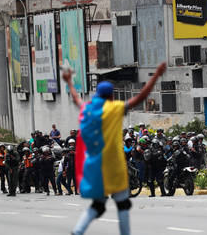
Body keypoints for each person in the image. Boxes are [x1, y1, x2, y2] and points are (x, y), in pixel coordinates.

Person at [63, 62, 166, 235]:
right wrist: (156, 76)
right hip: (113, 165)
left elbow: (76, 98)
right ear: (111, 95)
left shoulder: (87, 109)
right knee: (123, 203)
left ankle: (78, 231)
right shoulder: (115, 108)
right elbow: (140, 98)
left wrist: (69, 82)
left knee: (98, 205)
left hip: (94, 165)